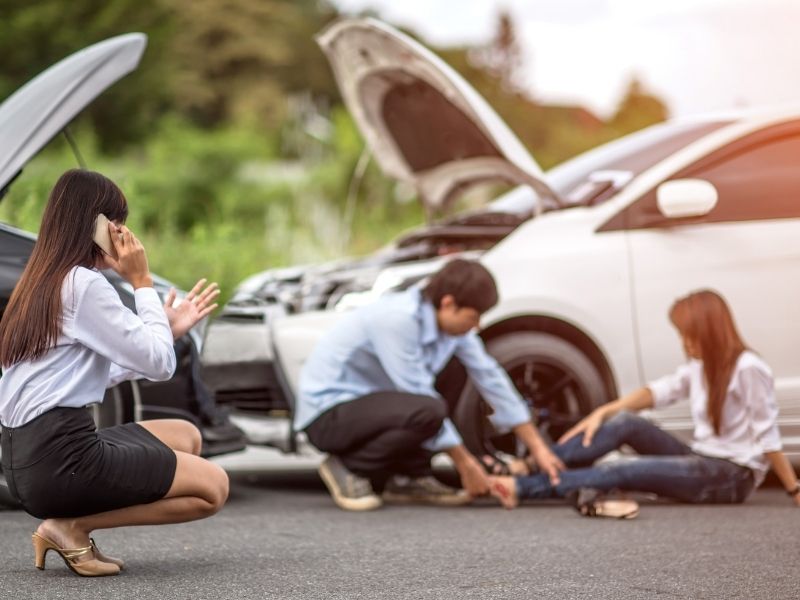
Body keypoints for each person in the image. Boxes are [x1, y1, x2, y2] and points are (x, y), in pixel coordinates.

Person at [0, 169, 229, 577]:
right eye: (116, 222)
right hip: (61, 459)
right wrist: (141, 282)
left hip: (27, 458)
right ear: (95, 225)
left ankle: (67, 523)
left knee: (185, 435)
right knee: (213, 488)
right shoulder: (83, 284)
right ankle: (71, 526)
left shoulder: (40, 281)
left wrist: (167, 330)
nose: (123, 233)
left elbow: (83, 376)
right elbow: (160, 365)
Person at [489, 290, 800, 516]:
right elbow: (657, 392)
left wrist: (794, 488)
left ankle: (522, 487)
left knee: (623, 469)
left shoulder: (748, 368)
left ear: (711, 333)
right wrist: (603, 412)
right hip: (703, 458)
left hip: (732, 476)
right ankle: (527, 466)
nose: (685, 343)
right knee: (627, 423)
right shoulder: (701, 367)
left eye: (690, 336)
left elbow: (768, 436)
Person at [294, 259, 565, 511]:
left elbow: (490, 376)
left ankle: (408, 477)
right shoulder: (397, 319)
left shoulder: (451, 330)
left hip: (372, 406)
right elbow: (416, 391)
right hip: (328, 415)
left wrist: (539, 448)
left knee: (455, 371)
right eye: (473, 316)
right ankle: (348, 467)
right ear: (449, 303)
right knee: (429, 409)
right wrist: (466, 464)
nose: (478, 326)